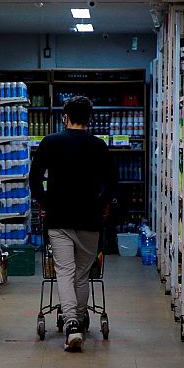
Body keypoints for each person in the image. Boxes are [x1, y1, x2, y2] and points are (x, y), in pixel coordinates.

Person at [30, 96, 117, 352]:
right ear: (89, 119)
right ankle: (77, 320)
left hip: (58, 218)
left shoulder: (50, 142)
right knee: (82, 275)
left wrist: (45, 201)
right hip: (90, 219)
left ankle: (71, 325)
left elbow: (34, 179)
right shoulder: (98, 146)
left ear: (65, 117)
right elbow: (112, 182)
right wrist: (100, 204)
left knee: (64, 273)